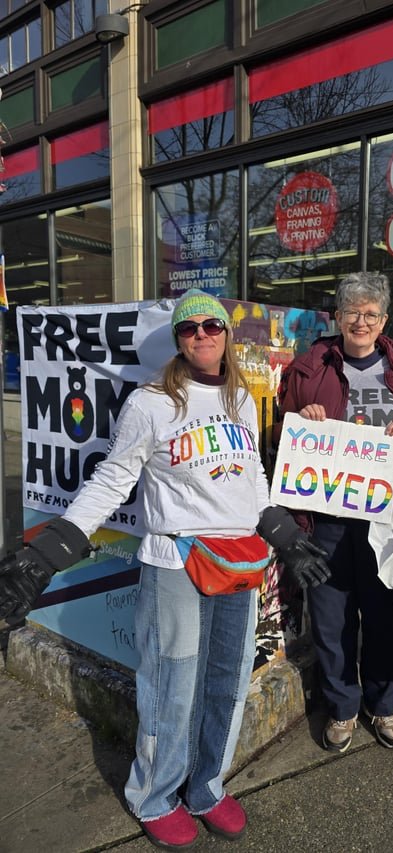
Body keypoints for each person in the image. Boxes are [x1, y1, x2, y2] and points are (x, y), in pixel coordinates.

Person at [0, 288, 329, 852]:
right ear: (178, 339)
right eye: (189, 328)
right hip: (176, 562)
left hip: (239, 563)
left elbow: (252, 481)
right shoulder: (151, 402)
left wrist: (288, 538)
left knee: (227, 681)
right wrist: (50, 550)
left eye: (211, 326)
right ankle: (154, 795)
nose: (201, 335)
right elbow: (112, 479)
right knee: (172, 687)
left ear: (226, 334)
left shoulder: (240, 399)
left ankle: (205, 786)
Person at [274, 271, 393, 753]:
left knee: (383, 617)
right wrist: (302, 421)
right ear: (338, 317)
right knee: (332, 619)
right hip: (326, 519)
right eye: (352, 312)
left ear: (384, 320)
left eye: (371, 313)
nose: (361, 322)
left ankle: (383, 703)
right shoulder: (310, 369)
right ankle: (343, 707)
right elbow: (284, 435)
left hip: (386, 519)